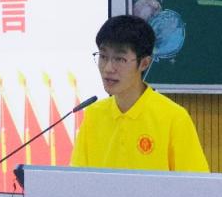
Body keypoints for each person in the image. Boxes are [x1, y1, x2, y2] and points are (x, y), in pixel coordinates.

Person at [70, 15, 209, 172]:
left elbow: (196, 183)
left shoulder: (174, 118)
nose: (108, 68)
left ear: (144, 63)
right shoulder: (93, 115)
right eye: (103, 56)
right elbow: (77, 179)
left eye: (120, 59)